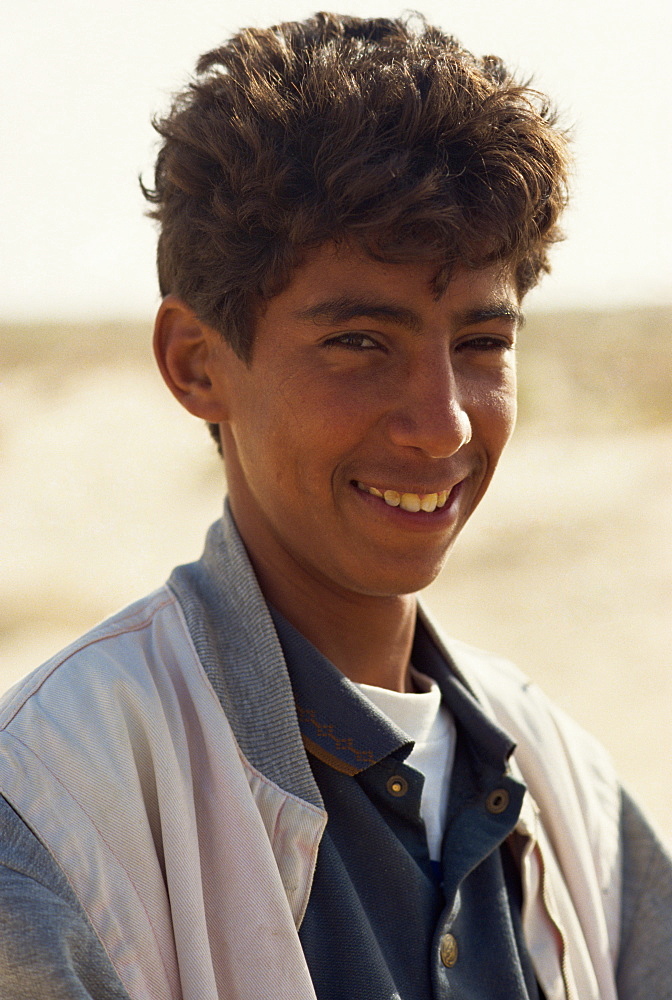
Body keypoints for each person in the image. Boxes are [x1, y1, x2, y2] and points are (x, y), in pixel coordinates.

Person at [0, 12, 669, 1000]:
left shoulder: (567, 789)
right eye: (362, 341)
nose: (442, 425)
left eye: (482, 344)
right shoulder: (61, 797)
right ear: (196, 365)